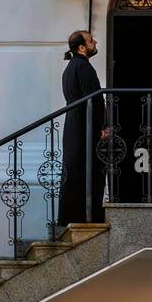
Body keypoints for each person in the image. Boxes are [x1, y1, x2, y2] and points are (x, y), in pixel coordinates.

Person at [58, 30, 109, 225]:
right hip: (84, 128)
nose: (94, 42)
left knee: (74, 172)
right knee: (88, 171)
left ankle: (70, 217)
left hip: (74, 126)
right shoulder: (83, 67)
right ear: (81, 47)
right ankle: (86, 217)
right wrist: (102, 128)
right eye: (90, 41)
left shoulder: (70, 67)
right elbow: (94, 101)